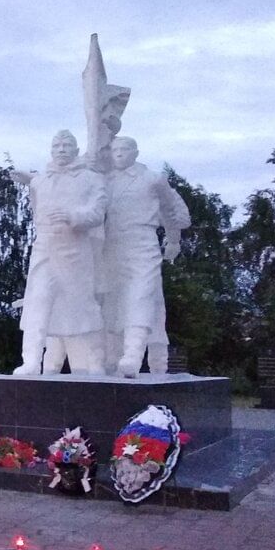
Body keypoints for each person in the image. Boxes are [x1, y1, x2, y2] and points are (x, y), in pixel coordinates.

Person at [10, 130, 108, 375]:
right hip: (45, 250)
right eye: (57, 145)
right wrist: (28, 179)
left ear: (76, 150)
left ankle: (89, 364)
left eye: (67, 145)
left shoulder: (91, 179)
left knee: (80, 309)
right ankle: (31, 361)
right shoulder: (41, 179)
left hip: (75, 253)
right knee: (37, 302)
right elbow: (37, 191)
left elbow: (98, 212)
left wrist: (74, 216)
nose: (62, 149)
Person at [103, 136, 192, 377]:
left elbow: (173, 212)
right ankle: (111, 360)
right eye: (115, 149)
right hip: (111, 247)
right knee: (112, 301)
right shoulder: (104, 180)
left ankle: (132, 354)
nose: (119, 153)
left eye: (124, 149)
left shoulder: (152, 179)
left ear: (136, 152)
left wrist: (173, 240)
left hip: (142, 243)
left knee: (140, 296)